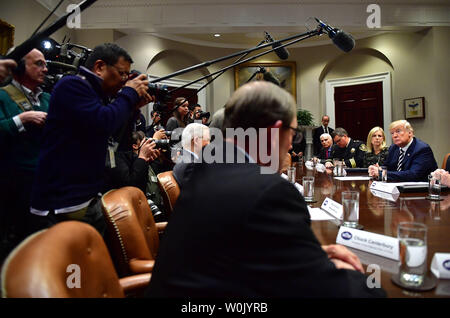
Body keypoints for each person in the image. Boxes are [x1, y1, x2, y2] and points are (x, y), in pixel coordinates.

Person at [145, 81, 385, 298]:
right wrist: (362, 279)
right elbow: (329, 290)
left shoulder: (207, 167)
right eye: (291, 133)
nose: (291, 144)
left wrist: (305, 253)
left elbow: (236, 243)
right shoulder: (269, 191)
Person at [29, 43, 153, 235]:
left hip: (85, 196)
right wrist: (129, 94)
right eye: (121, 73)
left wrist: (133, 109)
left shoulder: (98, 96)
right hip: (63, 201)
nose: (124, 80)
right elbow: (103, 122)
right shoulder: (72, 85)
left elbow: (114, 139)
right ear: (100, 67)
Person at [0, 49, 49, 258]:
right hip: (12, 187)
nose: (45, 69)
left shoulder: (48, 98)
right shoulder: (2, 96)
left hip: (45, 185)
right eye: (38, 63)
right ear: (19, 67)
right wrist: (23, 118)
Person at [104, 131, 166, 218]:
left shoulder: (126, 150)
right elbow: (130, 186)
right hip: (124, 210)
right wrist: (142, 158)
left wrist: (147, 161)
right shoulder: (112, 152)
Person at [368, 120, 437, 182]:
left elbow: (413, 175)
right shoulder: (394, 148)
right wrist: (377, 169)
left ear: (410, 133)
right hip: (398, 188)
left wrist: (382, 173)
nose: (394, 135)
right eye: (392, 133)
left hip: (420, 192)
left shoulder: (422, 149)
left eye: (398, 131)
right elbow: (387, 167)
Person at [172, 123, 210, 188]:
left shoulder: (184, 158)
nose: (209, 144)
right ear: (196, 140)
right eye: (208, 140)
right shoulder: (190, 165)